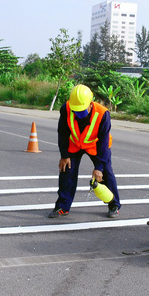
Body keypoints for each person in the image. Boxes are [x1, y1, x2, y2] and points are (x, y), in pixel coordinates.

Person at [49, 84, 121, 219]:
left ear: (90, 103)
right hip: (75, 144)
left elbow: (103, 142)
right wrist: (64, 155)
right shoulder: (66, 109)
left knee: (106, 172)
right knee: (66, 171)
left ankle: (114, 205)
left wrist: (99, 167)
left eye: (82, 110)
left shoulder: (102, 114)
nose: (79, 113)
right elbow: (63, 133)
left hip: (96, 146)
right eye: (76, 110)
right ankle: (62, 207)